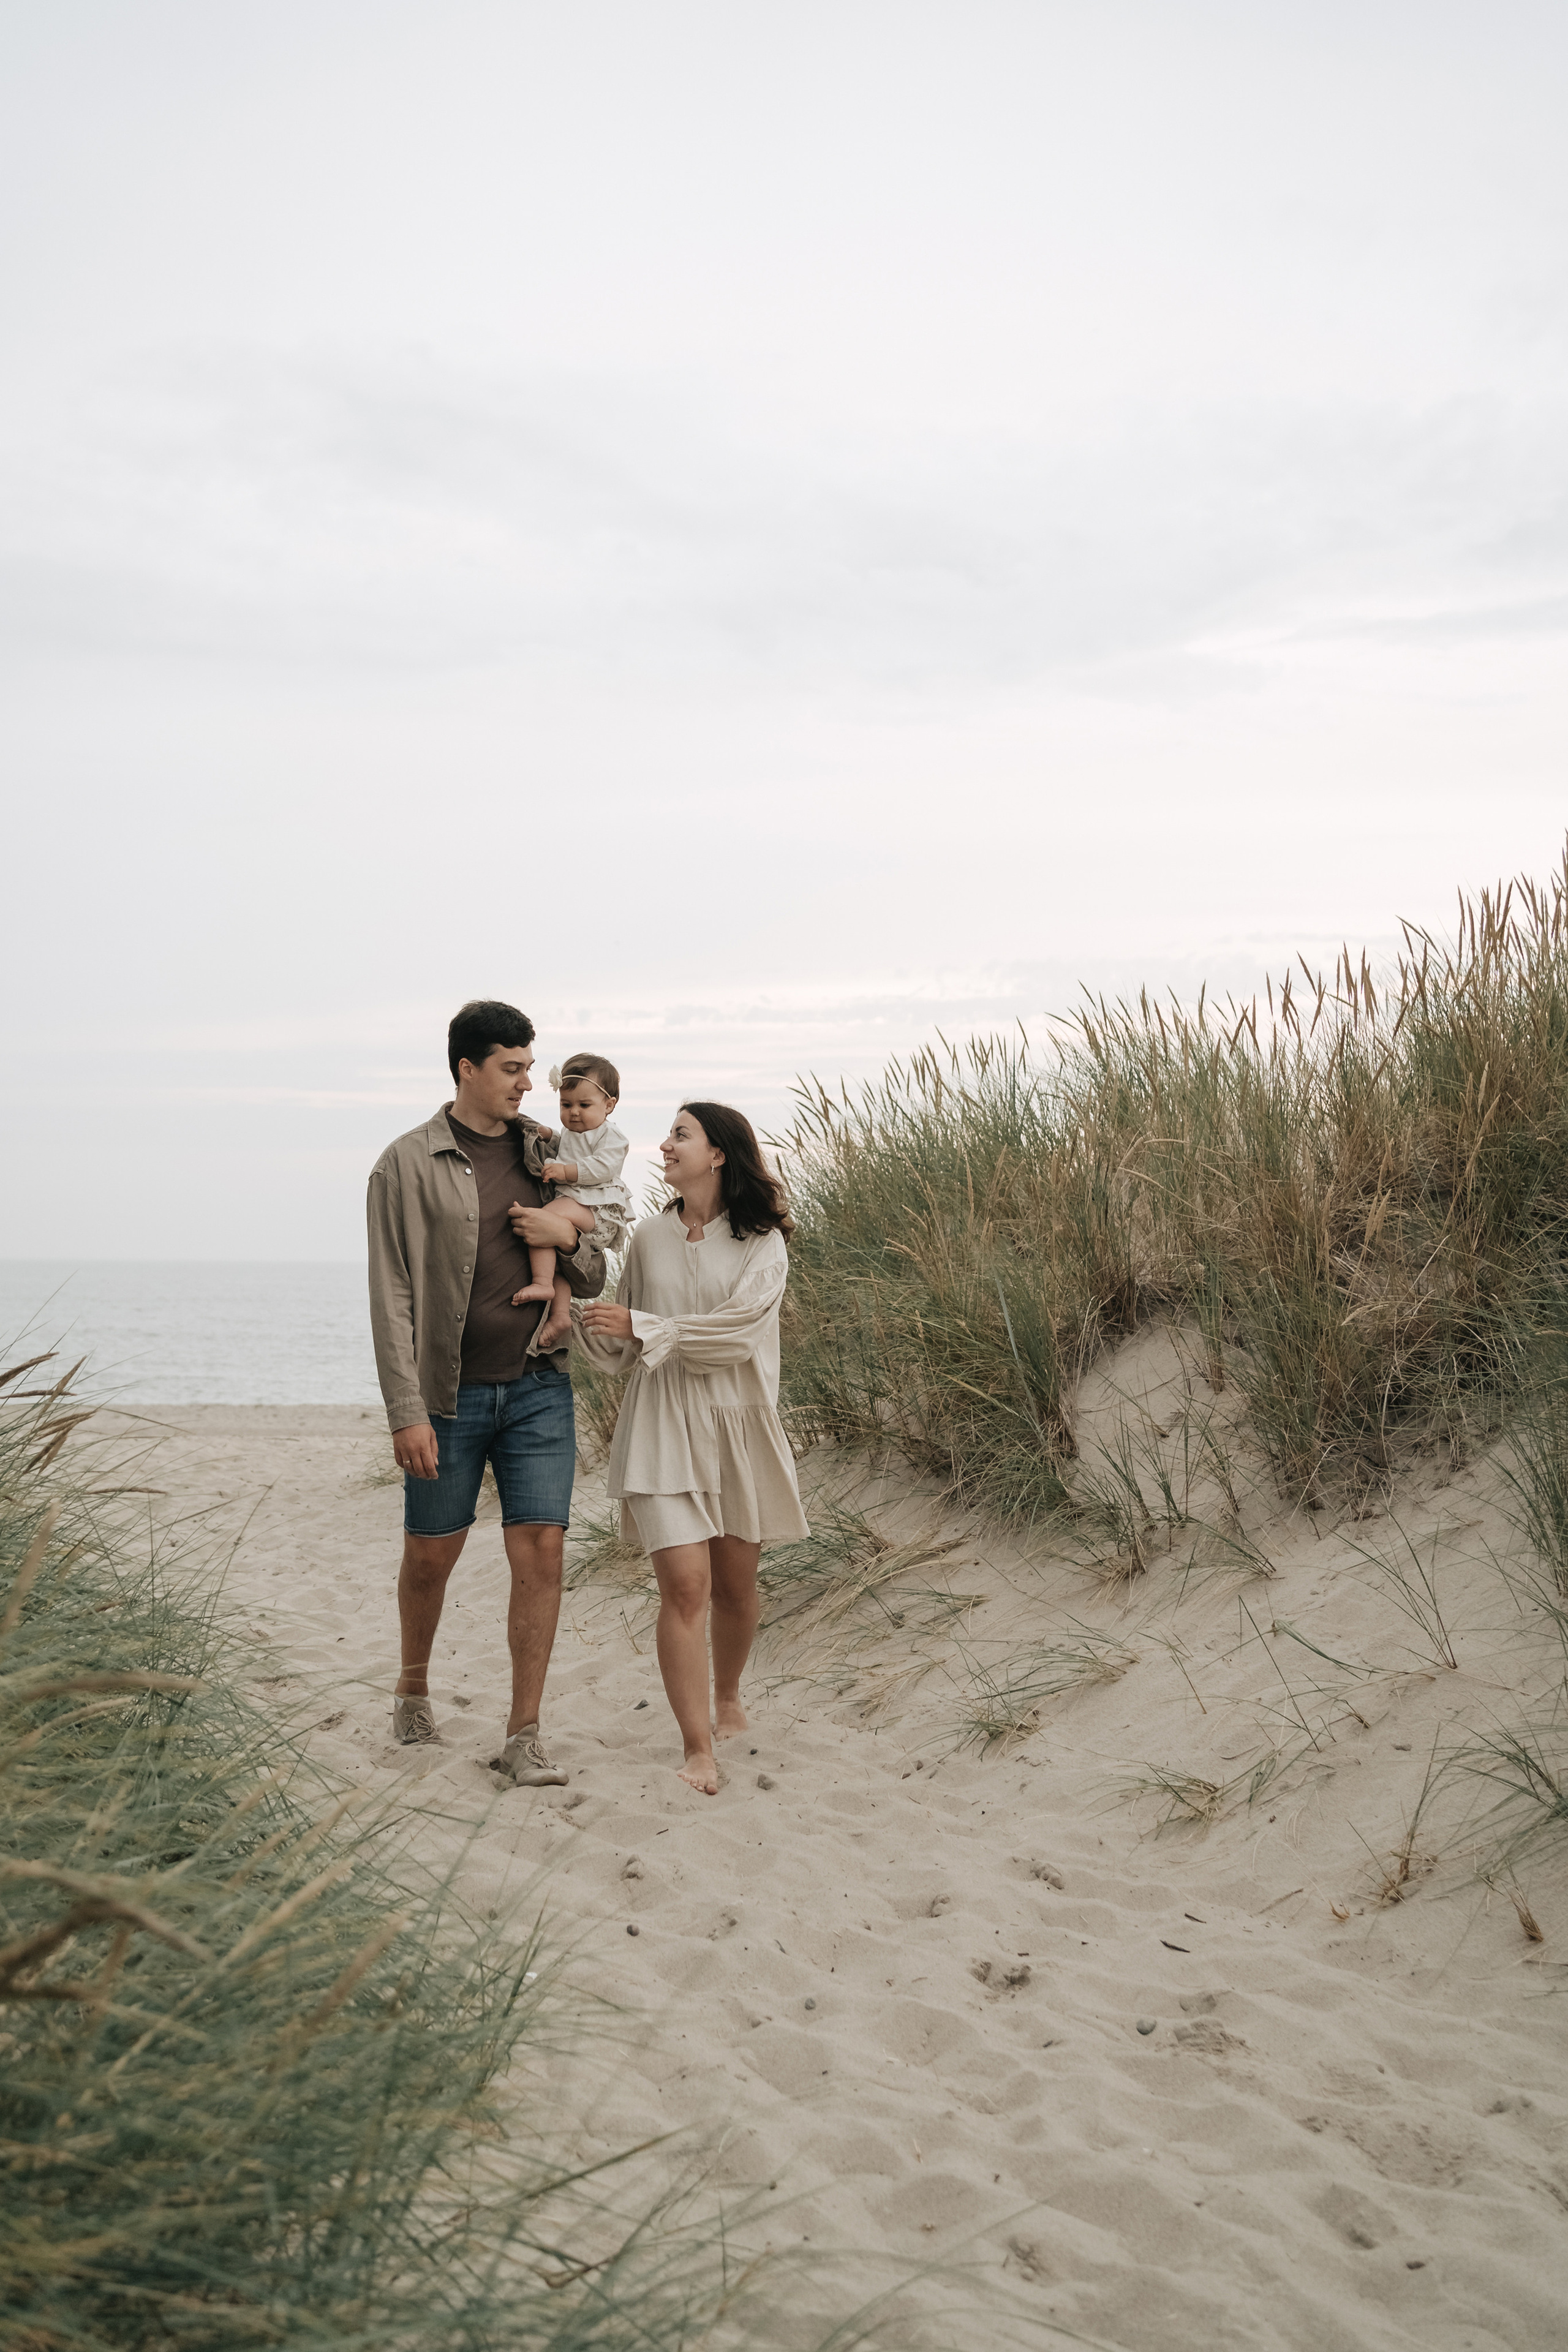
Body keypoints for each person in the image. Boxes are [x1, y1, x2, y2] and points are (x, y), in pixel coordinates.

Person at [366, 999, 608, 1785]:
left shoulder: (548, 1151)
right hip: (449, 1395)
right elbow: (391, 1294)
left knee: (541, 1551)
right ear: (467, 1069)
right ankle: (411, 1687)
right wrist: (407, 1412)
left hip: (540, 1384)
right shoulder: (403, 1164)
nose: (528, 1083)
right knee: (431, 1556)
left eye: (530, 1068)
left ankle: (524, 1732)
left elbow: (597, 1263)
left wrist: (567, 1235)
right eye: (512, 1068)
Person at [572, 1101, 809, 1796]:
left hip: (738, 1425)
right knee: (685, 1588)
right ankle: (697, 1746)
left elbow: (735, 1336)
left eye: (681, 1134)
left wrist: (645, 1325)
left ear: (718, 1155)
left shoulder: (764, 1241)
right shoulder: (647, 1237)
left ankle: (728, 1693)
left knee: (736, 1587)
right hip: (661, 1428)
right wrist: (577, 1315)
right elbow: (622, 1348)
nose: (665, 1145)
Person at [510, 1052, 633, 1350]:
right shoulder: (574, 1132)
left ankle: (541, 1283)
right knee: (558, 1262)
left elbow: (603, 1166)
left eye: (584, 1105)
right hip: (581, 1207)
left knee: (543, 1220)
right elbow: (565, 1146)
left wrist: (566, 1172)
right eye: (566, 1105)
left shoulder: (610, 1135)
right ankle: (560, 1315)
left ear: (609, 1105)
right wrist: (550, 1135)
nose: (574, 1112)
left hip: (598, 1211)